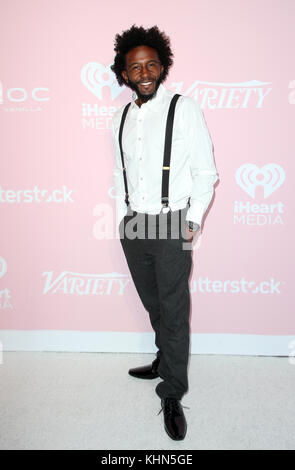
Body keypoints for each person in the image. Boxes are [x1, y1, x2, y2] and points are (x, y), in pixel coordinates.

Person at [110, 24, 218, 441]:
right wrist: (123, 216)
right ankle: (163, 359)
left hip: (172, 223)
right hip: (133, 224)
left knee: (173, 311)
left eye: (152, 63)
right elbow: (123, 173)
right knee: (154, 302)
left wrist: (191, 223)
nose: (145, 72)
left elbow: (206, 172)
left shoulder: (183, 107)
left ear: (163, 66)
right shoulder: (120, 115)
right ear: (123, 73)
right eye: (135, 67)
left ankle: (172, 391)